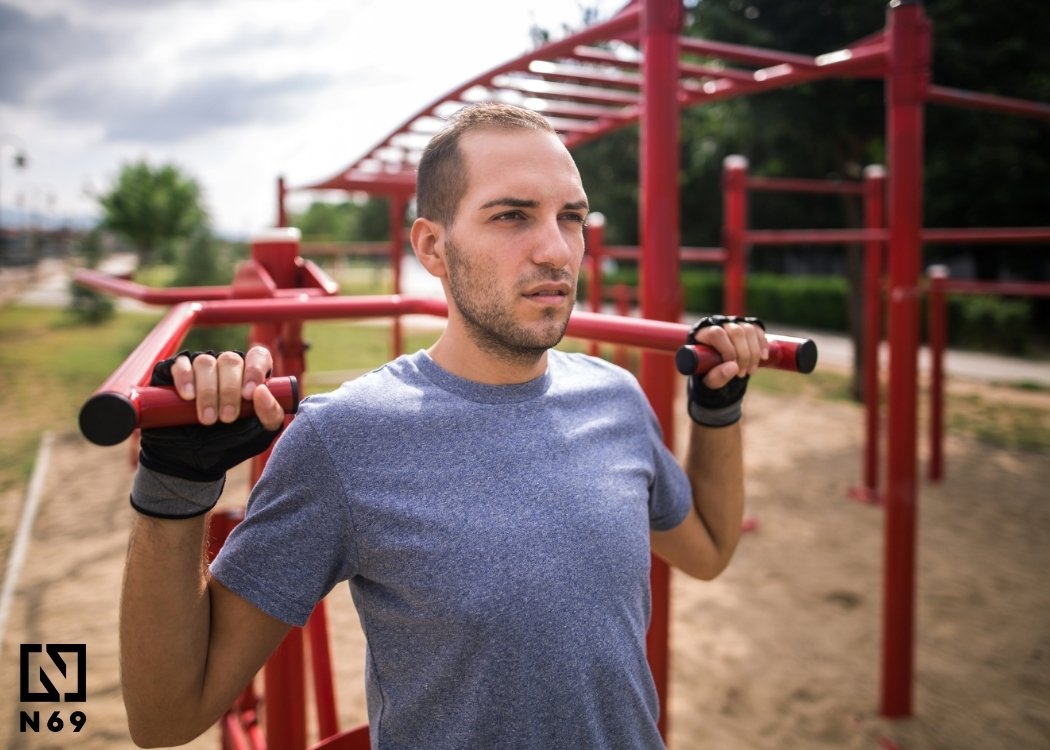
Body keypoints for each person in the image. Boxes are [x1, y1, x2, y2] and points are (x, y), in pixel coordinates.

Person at [119, 102, 767, 749]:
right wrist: (176, 488)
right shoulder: (346, 439)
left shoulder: (616, 398)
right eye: (512, 215)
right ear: (433, 246)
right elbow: (166, 718)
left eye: (570, 217)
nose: (556, 249)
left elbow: (708, 551)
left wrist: (718, 410)